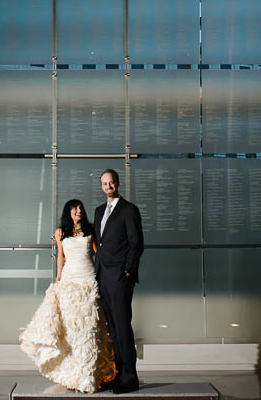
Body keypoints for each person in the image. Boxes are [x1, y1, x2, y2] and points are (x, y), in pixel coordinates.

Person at [19, 199, 117, 393]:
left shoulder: (91, 229)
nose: (78, 210)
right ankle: (75, 374)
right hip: (70, 281)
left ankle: (90, 374)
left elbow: (99, 253)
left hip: (88, 279)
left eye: (81, 207)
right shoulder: (60, 233)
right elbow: (61, 256)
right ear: (68, 212)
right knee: (72, 328)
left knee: (89, 327)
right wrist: (58, 277)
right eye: (75, 208)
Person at [94, 169, 144, 394]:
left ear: (118, 183)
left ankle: (130, 377)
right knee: (112, 328)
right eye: (104, 183)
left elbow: (136, 243)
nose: (108, 186)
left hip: (120, 278)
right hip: (103, 276)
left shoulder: (129, 210)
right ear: (101, 186)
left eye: (111, 182)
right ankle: (117, 374)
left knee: (123, 326)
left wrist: (128, 271)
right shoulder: (98, 211)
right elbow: (98, 242)